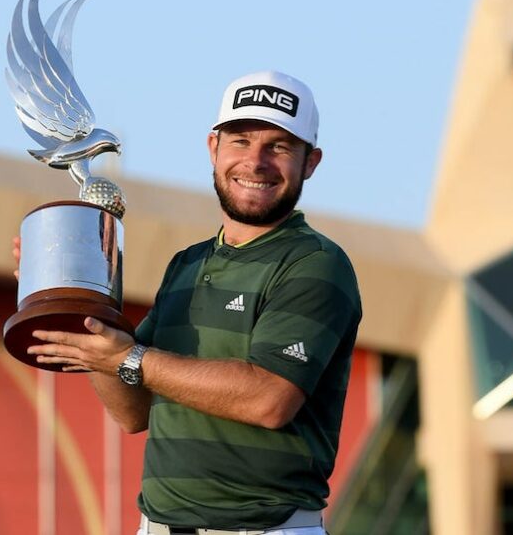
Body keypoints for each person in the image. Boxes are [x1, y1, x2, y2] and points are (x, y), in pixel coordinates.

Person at [24, 70, 362, 535]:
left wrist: (130, 356)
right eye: (240, 141)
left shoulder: (315, 263)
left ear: (311, 162)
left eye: (279, 147)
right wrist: (76, 298)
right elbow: (132, 411)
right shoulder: (187, 263)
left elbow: (269, 399)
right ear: (213, 149)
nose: (256, 161)